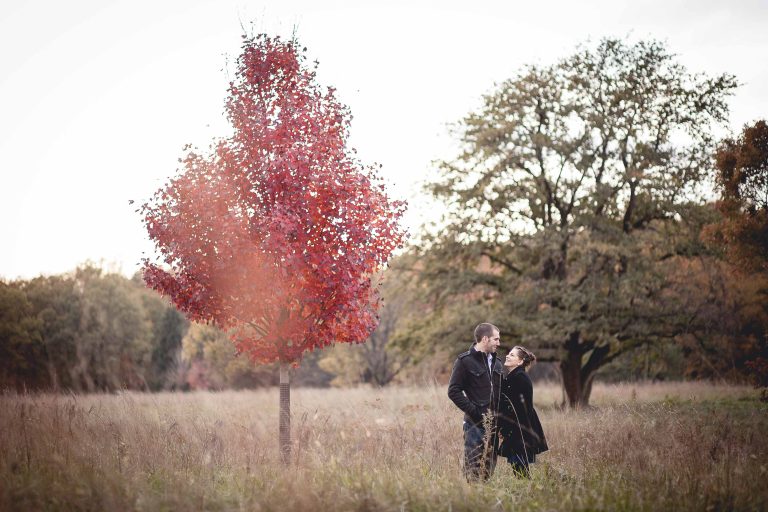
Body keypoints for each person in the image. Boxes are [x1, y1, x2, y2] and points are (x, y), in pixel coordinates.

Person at [447, 322, 503, 481]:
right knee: (472, 469)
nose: (499, 343)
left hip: (494, 425)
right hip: (474, 425)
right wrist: (475, 412)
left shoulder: (498, 363)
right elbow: (453, 391)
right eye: (496, 339)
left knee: (488, 470)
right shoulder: (464, 361)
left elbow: (501, 395)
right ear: (485, 339)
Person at [496, 345, 548, 477]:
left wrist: (505, 430)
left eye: (512, 355)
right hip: (516, 430)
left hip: (521, 430)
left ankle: (528, 494)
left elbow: (518, 410)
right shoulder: (513, 376)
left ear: (520, 362)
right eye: (509, 353)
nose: (507, 356)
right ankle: (526, 493)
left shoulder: (520, 378)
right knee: (519, 469)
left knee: (521, 470)